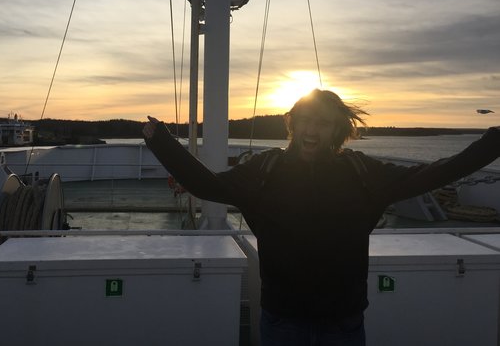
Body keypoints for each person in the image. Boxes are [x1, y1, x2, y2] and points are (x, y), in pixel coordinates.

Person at [142, 89, 500, 346]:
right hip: (283, 321)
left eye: (323, 123)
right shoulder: (265, 170)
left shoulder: (362, 172)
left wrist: (492, 144)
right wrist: (162, 142)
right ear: (292, 123)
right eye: (305, 120)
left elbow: (432, 174)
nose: (312, 131)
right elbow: (208, 185)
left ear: (338, 130)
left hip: (343, 323)